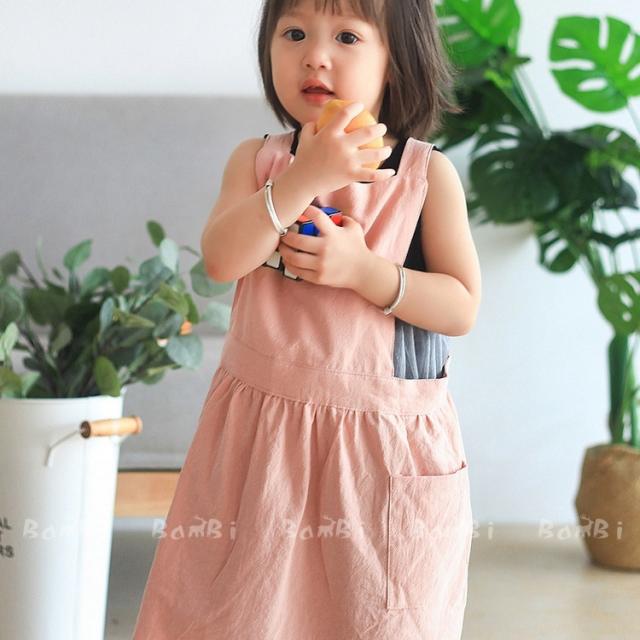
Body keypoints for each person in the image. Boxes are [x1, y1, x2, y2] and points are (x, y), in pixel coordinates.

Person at [132, 0, 482, 637]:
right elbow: (221, 260)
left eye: (346, 36)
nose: (314, 55)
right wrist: (305, 177)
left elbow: (461, 305)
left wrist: (365, 271)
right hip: (260, 439)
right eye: (294, 33)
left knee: (375, 616)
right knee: (234, 613)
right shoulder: (258, 161)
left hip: (379, 453)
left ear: (396, 62)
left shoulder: (426, 176)